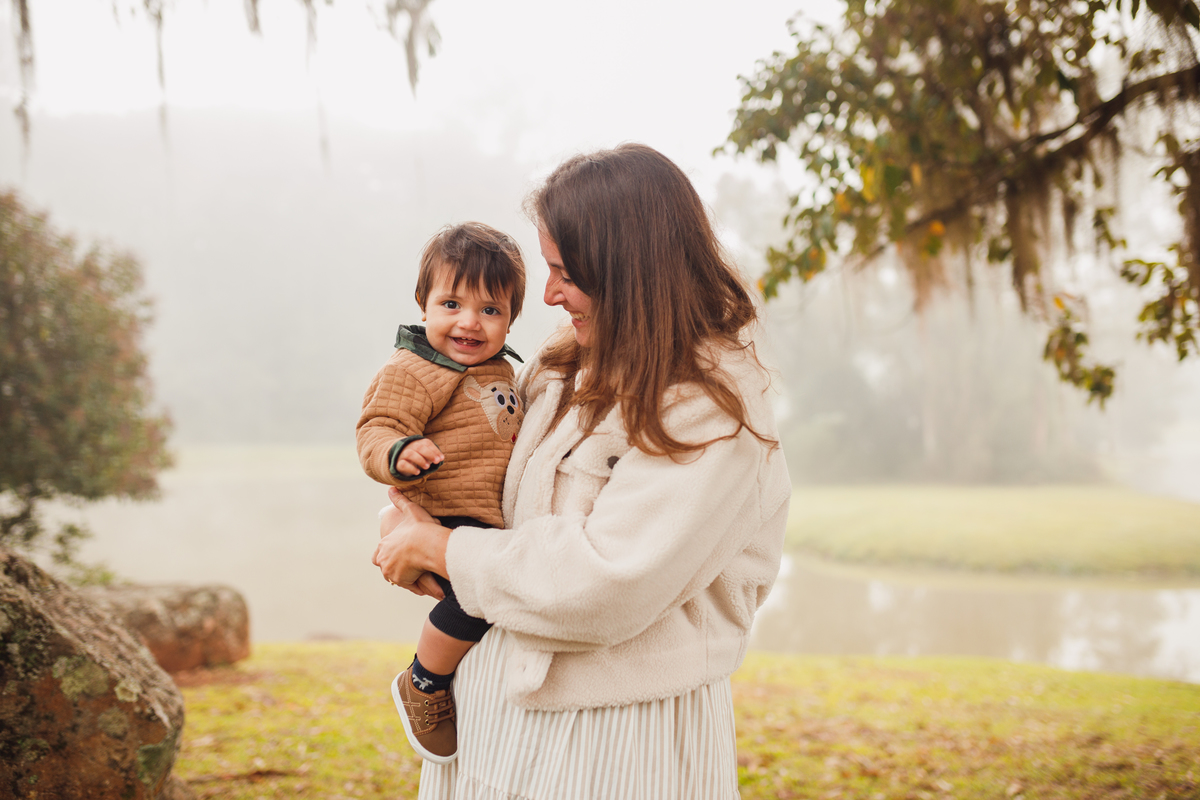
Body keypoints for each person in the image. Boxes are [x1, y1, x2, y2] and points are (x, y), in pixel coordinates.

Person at [373, 143, 790, 799]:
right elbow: (488, 482)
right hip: (491, 722)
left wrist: (443, 549)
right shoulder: (564, 364)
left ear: (627, 272)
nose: (547, 294)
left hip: (621, 743)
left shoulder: (709, 407)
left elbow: (607, 583)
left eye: (564, 272)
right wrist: (408, 525)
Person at [356, 221, 526, 764]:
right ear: (423, 304)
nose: (469, 322)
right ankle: (424, 681)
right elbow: (377, 426)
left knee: (492, 597)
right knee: (476, 601)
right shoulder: (413, 368)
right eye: (451, 304)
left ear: (511, 319)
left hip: (484, 519)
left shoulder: (501, 368)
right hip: (448, 513)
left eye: (490, 310)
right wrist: (399, 452)